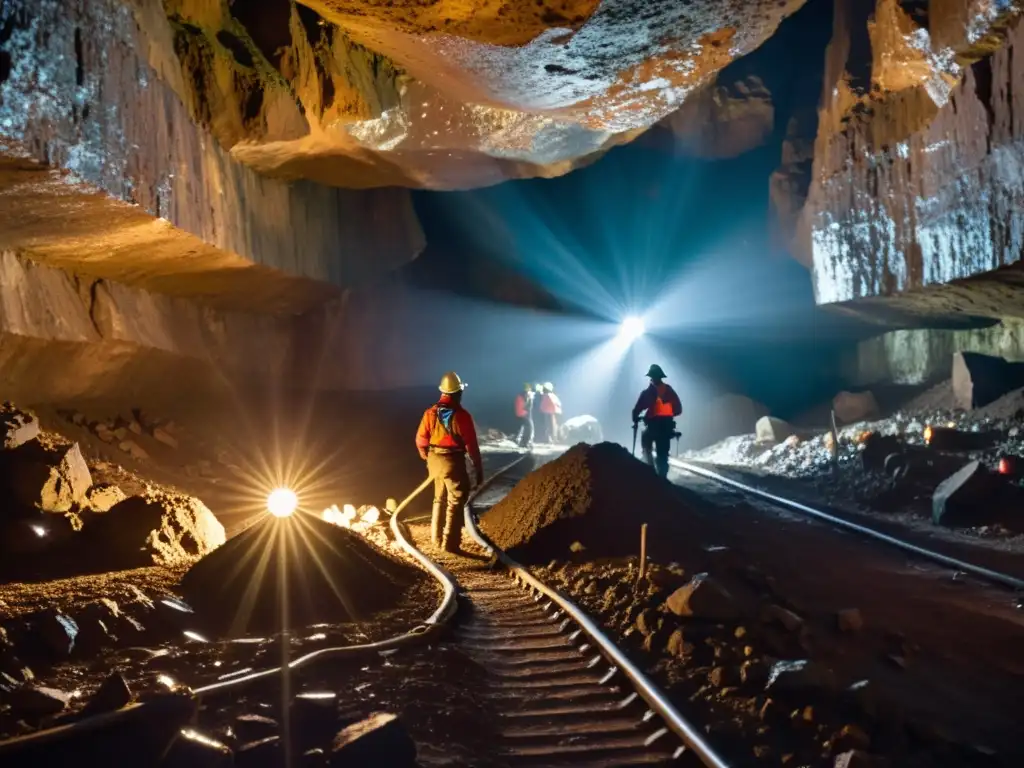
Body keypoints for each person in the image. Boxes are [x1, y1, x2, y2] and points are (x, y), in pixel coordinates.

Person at [415, 371, 483, 553]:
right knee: (456, 498)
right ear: (457, 393)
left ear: (443, 392)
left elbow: (420, 440)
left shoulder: (429, 413)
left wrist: (427, 458)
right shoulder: (462, 416)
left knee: (439, 497)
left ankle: (435, 538)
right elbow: (471, 445)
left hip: (434, 459)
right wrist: (478, 468)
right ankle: (450, 543)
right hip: (452, 460)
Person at [631, 364, 682, 479]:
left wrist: (635, 418)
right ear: (661, 377)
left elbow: (637, 409)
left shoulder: (648, 392)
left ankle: (650, 471)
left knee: (645, 443)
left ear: (651, 377)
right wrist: (668, 415)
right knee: (663, 455)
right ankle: (662, 478)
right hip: (667, 428)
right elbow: (678, 409)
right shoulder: (669, 390)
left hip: (653, 427)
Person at [514, 382, 535, 448]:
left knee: (522, 427)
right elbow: (528, 407)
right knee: (530, 428)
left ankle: (518, 440)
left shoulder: (519, 395)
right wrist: (531, 399)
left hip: (519, 413)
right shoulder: (527, 394)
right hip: (524, 413)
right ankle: (526, 443)